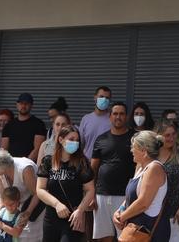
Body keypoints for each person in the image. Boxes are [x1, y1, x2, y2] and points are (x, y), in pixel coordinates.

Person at [36, 126, 95, 242]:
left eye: (77, 140)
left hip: (73, 218)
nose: (75, 143)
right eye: (71, 139)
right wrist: (57, 204)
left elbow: (90, 190)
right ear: (61, 140)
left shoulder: (82, 163)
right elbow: (40, 189)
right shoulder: (48, 162)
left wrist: (80, 210)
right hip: (51, 218)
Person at [112, 130, 170, 242]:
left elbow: (143, 203)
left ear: (144, 151)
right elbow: (132, 196)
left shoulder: (154, 168)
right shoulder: (140, 167)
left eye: (134, 147)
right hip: (135, 230)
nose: (131, 150)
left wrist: (122, 217)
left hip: (149, 232)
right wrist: (119, 210)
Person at [90, 102, 134, 242]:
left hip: (126, 196)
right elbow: (93, 169)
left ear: (126, 117)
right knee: (104, 237)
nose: (118, 117)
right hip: (102, 195)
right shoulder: (100, 139)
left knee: (126, 237)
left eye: (121, 114)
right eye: (115, 113)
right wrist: (91, 195)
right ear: (110, 117)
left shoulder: (135, 138)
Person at [0, 149, 44, 242]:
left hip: (35, 207)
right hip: (15, 209)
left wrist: (28, 212)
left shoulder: (25, 168)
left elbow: (37, 193)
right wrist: (0, 208)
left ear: (1, 166)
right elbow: (2, 193)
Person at [155, 119, 179, 242]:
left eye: (174, 134)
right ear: (159, 136)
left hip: (177, 212)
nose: (171, 138)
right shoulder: (152, 153)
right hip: (155, 212)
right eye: (167, 135)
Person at [2, 93, 49, 161]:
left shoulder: (38, 124)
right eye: (21, 103)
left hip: (29, 165)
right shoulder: (9, 125)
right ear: (17, 105)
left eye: (26, 104)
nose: (23, 106)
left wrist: (25, 164)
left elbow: (38, 148)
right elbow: (4, 149)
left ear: (31, 105)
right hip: (10, 164)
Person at [79, 86, 113, 159]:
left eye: (107, 98)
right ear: (95, 98)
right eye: (101, 96)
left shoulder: (113, 120)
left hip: (105, 165)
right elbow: (80, 144)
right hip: (87, 164)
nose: (104, 100)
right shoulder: (85, 119)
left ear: (110, 101)